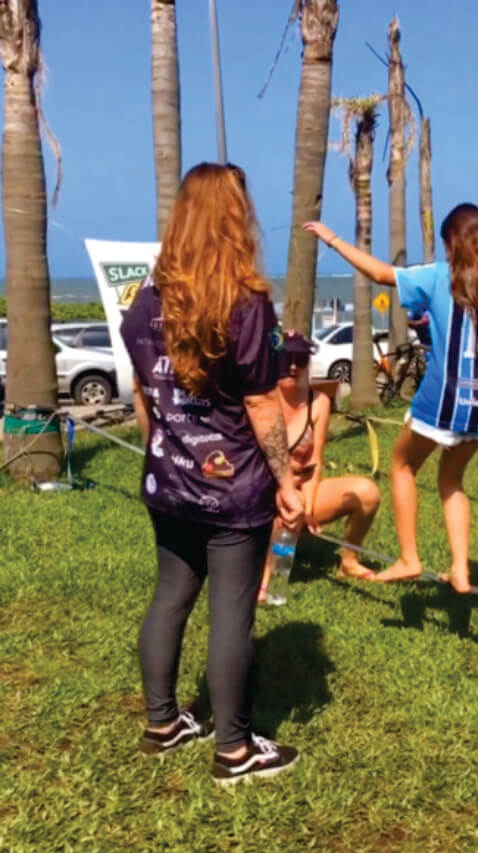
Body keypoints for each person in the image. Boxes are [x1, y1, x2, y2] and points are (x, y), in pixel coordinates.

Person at [121, 162, 305, 785]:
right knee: (231, 611)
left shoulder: (144, 300)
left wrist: (164, 450)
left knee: (171, 594)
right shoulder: (246, 300)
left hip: (167, 480)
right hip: (233, 490)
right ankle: (234, 749)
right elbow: (259, 402)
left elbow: (146, 396)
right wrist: (286, 481)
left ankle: (163, 721)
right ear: (235, 217)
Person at [305, 204, 478, 592]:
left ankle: (408, 558)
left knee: (402, 467)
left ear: (454, 241)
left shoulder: (441, 276)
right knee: (452, 479)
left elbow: (381, 273)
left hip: (442, 399)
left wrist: (333, 241)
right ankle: (461, 570)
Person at [258, 331, 380, 601]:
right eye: (285, 359)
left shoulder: (319, 402)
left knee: (367, 492)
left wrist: (310, 509)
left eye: (300, 360)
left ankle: (348, 562)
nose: (292, 367)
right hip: (261, 492)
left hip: (302, 487)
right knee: (291, 509)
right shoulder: (259, 401)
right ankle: (268, 580)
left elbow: (315, 462)